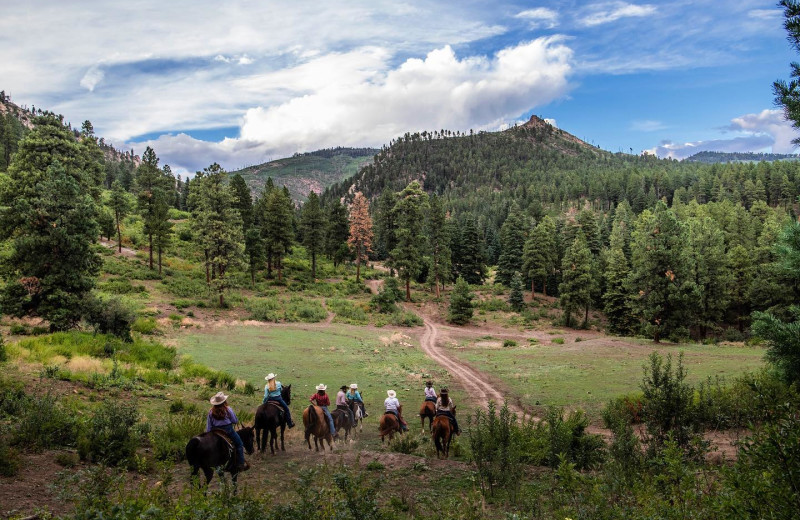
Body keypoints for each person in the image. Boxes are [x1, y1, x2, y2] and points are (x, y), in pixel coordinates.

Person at [206, 392, 249, 471]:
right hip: (228, 431)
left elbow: (209, 426)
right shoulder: (228, 409)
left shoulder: (211, 411)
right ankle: (241, 463)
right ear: (224, 401)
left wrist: (209, 434)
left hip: (216, 432)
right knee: (239, 444)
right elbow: (235, 420)